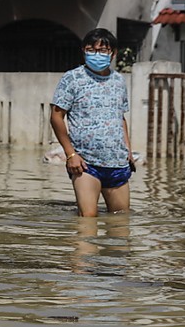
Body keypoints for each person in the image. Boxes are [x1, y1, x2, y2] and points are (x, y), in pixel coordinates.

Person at [49, 28, 134, 217]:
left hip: (117, 163)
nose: (97, 55)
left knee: (120, 223)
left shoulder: (119, 81)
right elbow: (56, 117)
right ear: (84, 50)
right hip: (86, 164)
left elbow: (119, 117)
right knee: (87, 222)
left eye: (103, 51)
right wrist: (71, 154)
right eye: (91, 49)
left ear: (113, 53)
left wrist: (127, 150)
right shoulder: (73, 78)